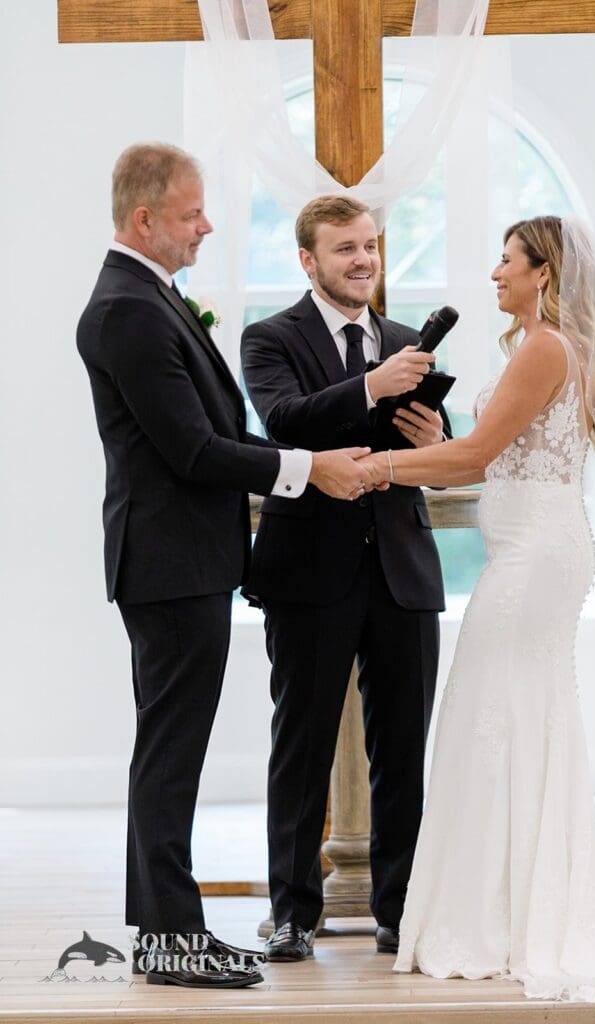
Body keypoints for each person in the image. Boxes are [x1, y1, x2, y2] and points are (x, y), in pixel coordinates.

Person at [358, 216, 595, 1023]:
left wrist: (373, 468)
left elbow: (471, 464)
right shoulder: (543, 347)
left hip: (533, 560)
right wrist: (438, 442)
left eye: (504, 261)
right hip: (540, 549)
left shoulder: (543, 346)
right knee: (516, 718)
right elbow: (491, 452)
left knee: (487, 718)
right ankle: (509, 906)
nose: (492, 274)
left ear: (542, 272)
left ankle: (495, 918)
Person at [77, 145, 375, 989]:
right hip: (168, 564)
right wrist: (306, 467)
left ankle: (173, 935)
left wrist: (300, 456)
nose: (206, 225)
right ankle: (172, 943)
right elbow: (191, 450)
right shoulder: (128, 309)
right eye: (191, 213)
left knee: (171, 753)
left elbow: (218, 435)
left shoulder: (151, 298)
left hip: (187, 562)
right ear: (144, 220)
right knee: (169, 757)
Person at [241, 195, 450, 962]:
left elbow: (429, 455)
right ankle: (293, 913)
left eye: (368, 245)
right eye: (343, 249)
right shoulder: (269, 338)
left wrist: (433, 432)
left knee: (403, 747)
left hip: (402, 570)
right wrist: (371, 386)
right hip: (308, 573)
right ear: (307, 260)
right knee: (300, 748)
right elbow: (284, 421)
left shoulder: (404, 342)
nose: (363, 260)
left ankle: (398, 909)